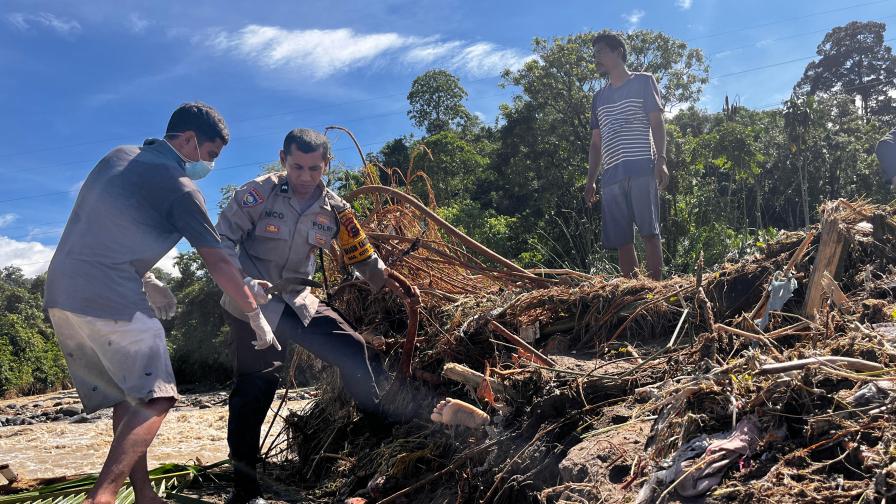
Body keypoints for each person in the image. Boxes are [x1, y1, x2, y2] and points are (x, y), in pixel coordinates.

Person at [44, 102, 278, 504]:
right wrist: (255, 314)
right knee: (159, 396)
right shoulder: (181, 186)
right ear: (188, 140)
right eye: (211, 155)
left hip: (61, 292)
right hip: (107, 292)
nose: (210, 165)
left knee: (131, 397)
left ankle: (144, 494)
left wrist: (148, 277)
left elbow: (101, 224)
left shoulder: (118, 156)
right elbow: (218, 259)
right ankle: (101, 497)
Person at [215, 128, 419, 504]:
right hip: (252, 306)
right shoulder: (257, 194)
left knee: (354, 352)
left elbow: (360, 252)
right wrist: (242, 283)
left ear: (326, 165)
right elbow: (220, 242)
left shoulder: (336, 209)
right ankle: (244, 491)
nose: (305, 176)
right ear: (283, 160)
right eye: (297, 167)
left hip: (299, 301)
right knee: (255, 391)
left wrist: (386, 280)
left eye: (314, 168)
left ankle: (382, 437)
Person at [584, 32, 669, 281]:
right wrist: (590, 180)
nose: (596, 58)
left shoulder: (644, 81)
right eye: (595, 54)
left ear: (618, 51)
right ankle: (632, 294)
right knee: (622, 239)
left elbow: (657, 122)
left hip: (642, 165)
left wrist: (661, 160)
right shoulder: (598, 97)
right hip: (611, 174)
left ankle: (656, 292)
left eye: (600, 52)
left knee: (649, 232)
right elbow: (596, 143)